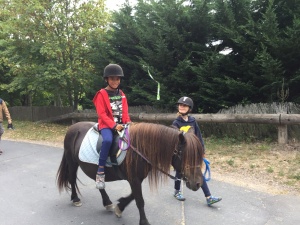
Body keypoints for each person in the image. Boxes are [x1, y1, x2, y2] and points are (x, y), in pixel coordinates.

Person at [172, 96, 222, 206]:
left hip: (193, 152)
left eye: (185, 105)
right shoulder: (176, 123)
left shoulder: (193, 121)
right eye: (180, 105)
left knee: (198, 171)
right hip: (182, 153)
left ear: (189, 108)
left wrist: (202, 150)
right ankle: (177, 191)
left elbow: (199, 136)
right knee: (179, 171)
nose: (182, 107)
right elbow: (175, 139)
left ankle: (209, 197)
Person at [92, 64, 131, 189]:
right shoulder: (101, 94)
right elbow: (101, 114)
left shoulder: (122, 93)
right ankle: (100, 171)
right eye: (112, 79)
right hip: (107, 125)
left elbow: (124, 111)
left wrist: (128, 122)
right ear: (107, 79)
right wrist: (114, 126)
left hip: (121, 124)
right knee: (108, 140)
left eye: (117, 79)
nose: (115, 81)